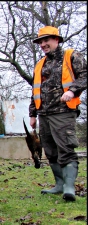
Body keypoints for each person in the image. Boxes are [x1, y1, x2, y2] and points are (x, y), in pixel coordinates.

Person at [29, 26, 86, 202]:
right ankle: (59, 184)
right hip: (43, 113)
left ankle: (69, 187)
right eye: (40, 42)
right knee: (50, 150)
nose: (43, 44)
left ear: (56, 40)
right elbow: (35, 90)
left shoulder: (71, 56)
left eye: (46, 40)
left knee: (65, 148)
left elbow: (84, 75)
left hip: (63, 111)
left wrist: (73, 91)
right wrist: (32, 113)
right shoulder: (40, 64)